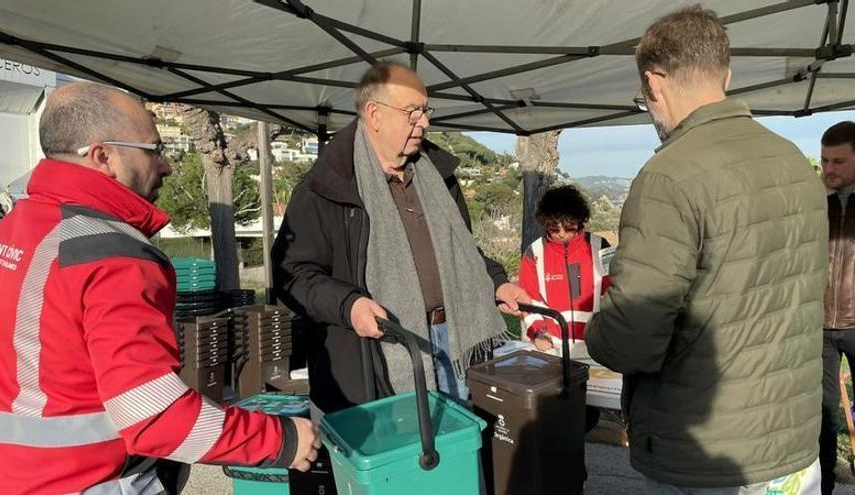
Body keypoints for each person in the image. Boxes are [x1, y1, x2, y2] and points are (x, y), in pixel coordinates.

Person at [0, 82, 319, 495]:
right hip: (91, 481)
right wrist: (281, 439)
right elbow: (154, 416)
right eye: (153, 149)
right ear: (104, 156)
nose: (166, 166)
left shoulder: (11, 231)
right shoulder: (111, 255)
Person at [584, 6, 827, 493]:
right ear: (727, 74)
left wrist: (597, 332)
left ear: (654, 83)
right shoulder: (794, 163)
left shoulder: (668, 176)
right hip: (793, 443)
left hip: (706, 452)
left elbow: (632, 336)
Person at [272, 61, 529, 413]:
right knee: (408, 458)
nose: (424, 122)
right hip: (377, 353)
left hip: (451, 342)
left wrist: (497, 282)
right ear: (374, 114)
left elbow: (463, 251)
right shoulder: (325, 187)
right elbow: (292, 273)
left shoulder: (438, 176)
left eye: (426, 111)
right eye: (413, 112)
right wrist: (349, 305)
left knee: (456, 452)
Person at [518, 185, 613, 348]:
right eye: (554, 229)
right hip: (552, 345)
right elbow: (529, 300)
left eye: (569, 228)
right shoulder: (533, 253)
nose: (562, 234)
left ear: (580, 220)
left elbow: (614, 293)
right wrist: (538, 332)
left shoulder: (601, 247)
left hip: (597, 345)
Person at [819, 120, 855, 494]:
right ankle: (823, 488)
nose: (829, 169)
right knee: (823, 417)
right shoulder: (815, 203)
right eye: (825, 160)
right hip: (819, 327)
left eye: (839, 161)